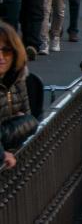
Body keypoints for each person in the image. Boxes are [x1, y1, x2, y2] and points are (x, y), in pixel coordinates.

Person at [0, 23, 35, 170]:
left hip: (13, 163)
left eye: (6, 51)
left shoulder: (18, 79)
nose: (0, 57)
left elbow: (27, 119)